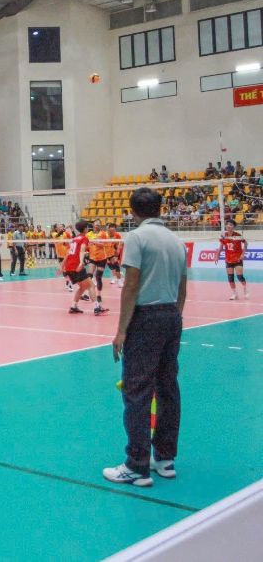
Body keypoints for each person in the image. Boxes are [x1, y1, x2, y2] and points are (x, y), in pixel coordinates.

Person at [104, 187, 188, 487]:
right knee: (167, 388)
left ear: (132, 210)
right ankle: (164, 459)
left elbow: (130, 286)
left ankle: (136, 465)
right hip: (171, 316)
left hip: (146, 318)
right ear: (160, 209)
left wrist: (121, 330)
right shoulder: (177, 242)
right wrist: (174, 317)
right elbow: (182, 289)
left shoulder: (136, 238)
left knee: (137, 390)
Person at [61, 220, 107, 315]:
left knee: (82, 287)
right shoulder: (84, 238)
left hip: (69, 266)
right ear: (85, 229)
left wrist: (62, 266)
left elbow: (68, 252)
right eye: (87, 227)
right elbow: (82, 251)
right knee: (91, 286)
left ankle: (74, 306)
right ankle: (97, 308)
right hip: (76, 266)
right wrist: (81, 262)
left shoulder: (75, 238)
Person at [217, 221, 249, 300]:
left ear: (233, 227)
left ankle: (245, 290)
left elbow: (246, 243)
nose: (228, 226)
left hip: (237, 259)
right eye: (227, 224)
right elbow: (221, 246)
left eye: (230, 225)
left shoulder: (238, 235)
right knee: (230, 278)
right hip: (228, 259)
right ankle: (235, 294)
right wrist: (217, 255)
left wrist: (243, 254)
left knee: (239, 276)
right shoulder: (223, 236)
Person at [86, 220, 112, 312]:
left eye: (98, 224)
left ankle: (99, 295)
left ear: (100, 225)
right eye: (95, 224)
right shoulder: (89, 234)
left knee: (98, 277)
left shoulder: (103, 233)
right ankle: (88, 293)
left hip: (101, 258)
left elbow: (106, 244)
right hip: (92, 258)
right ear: (93, 225)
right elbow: (86, 244)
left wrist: (96, 242)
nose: (96, 225)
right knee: (89, 276)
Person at [106, 223, 125, 287]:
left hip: (115, 252)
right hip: (107, 253)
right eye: (111, 231)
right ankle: (114, 277)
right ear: (108, 229)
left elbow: (121, 243)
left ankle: (119, 280)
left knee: (116, 265)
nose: (112, 232)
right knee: (111, 267)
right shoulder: (105, 235)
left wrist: (117, 253)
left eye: (113, 231)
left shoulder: (117, 235)